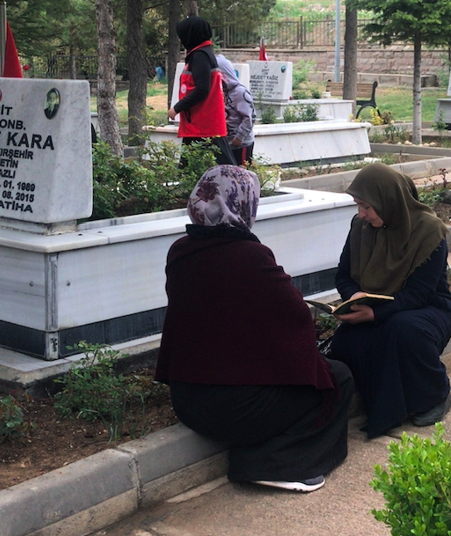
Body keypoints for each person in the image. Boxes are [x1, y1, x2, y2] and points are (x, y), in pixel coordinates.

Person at [155, 165, 354, 492]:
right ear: (244, 203)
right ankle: (273, 465)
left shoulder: (180, 251)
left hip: (187, 401)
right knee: (337, 378)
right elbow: (297, 317)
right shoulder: (249, 255)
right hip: (237, 409)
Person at [329, 163, 451, 440]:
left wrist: (374, 315)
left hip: (426, 309)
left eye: (366, 206)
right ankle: (387, 406)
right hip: (374, 307)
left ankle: (435, 395)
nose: (361, 214)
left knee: (402, 330)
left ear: (388, 200)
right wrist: (354, 296)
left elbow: (419, 293)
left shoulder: (428, 230)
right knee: (346, 343)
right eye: (358, 205)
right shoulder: (360, 227)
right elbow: (342, 274)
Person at [167, 16, 235, 166]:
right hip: (201, 123)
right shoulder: (202, 54)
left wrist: (177, 108)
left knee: (219, 169)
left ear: (191, 34)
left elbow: (202, 89)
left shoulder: (200, 56)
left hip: (203, 124)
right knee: (208, 168)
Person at [216, 54, 255, 167]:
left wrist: (239, 137)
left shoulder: (240, 92)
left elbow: (249, 117)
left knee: (241, 173)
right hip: (227, 143)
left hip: (241, 144)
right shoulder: (222, 92)